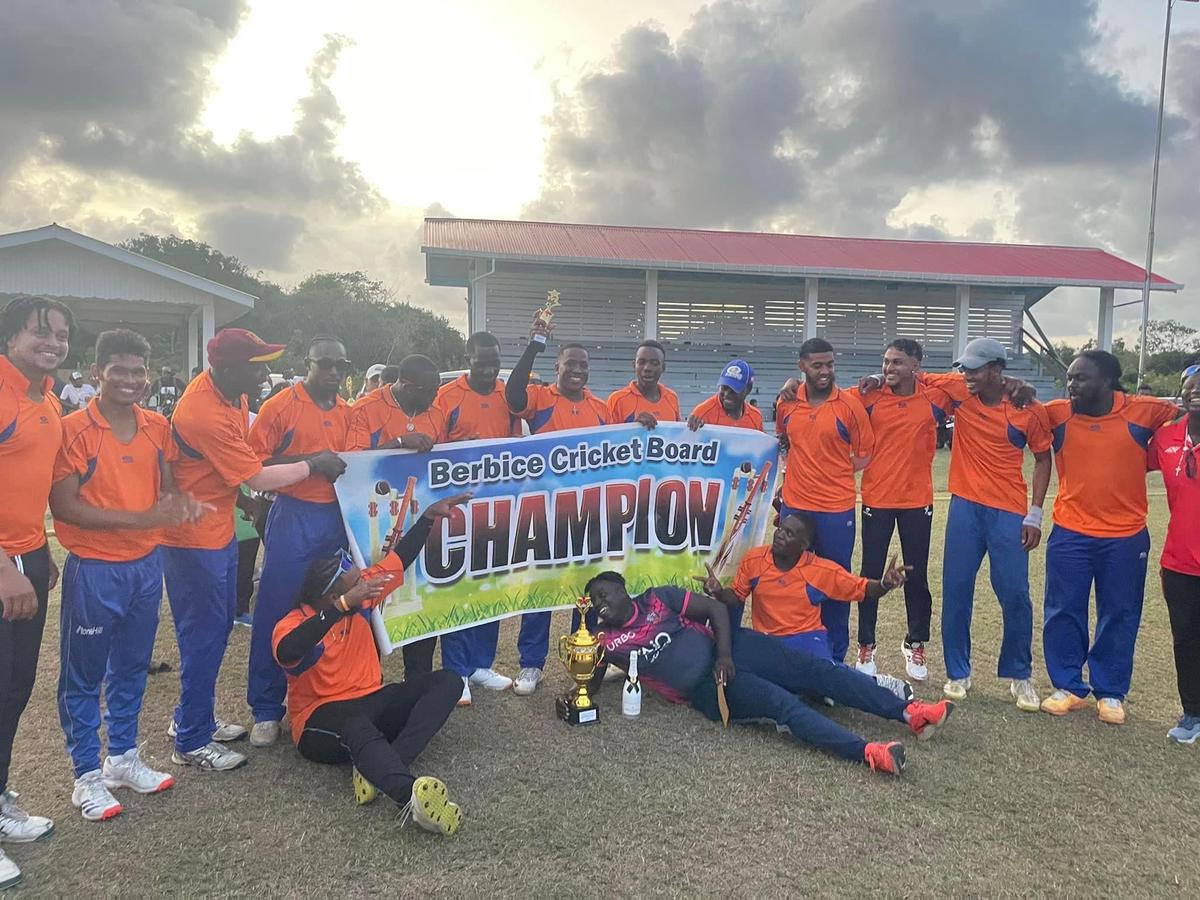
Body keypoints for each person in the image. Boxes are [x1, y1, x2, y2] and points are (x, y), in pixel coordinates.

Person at [163, 327, 347, 772]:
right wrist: (313, 464)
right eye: (255, 365)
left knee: (221, 625)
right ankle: (196, 737)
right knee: (210, 633)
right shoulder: (211, 409)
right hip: (194, 537)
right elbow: (258, 471)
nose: (263, 374)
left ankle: (193, 719)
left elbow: (229, 466)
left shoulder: (233, 396)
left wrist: (244, 503)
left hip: (224, 526)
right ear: (226, 368)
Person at [48, 329, 207, 821]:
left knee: (132, 665)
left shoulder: (157, 426)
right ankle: (86, 776)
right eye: (118, 370)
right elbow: (65, 507)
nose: (129, 379)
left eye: (138, 371)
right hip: (94, 568)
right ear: (97, 373)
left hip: (145, 566)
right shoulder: (72, 428)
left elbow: (169, 484)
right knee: (83, 676)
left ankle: (122, 757)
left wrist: (181, 503)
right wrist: (146, 518)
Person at [587, 571, 954, 776]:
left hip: (730, 648)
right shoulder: (608, 640)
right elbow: (588, 683)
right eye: (596, 602)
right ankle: (869, 753)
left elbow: (715, 610)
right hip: (707, 687)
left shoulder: (657, 598)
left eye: (604, 594)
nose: (602, 604)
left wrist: (725, 654)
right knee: (782, 705)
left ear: (622, 588)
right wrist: (586, 644)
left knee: (815, 671)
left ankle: (910, 713)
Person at [864, 337, 1052, 710]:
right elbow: (911, 375)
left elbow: (1043, 459)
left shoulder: (1026, 408)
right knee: (957, 590)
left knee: (1014, 593)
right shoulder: (958, 390)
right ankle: (958, 672)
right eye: (963, 368)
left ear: (996, 371)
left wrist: (1035, 511)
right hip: (965, 506)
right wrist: (876, 375)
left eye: (974, 369)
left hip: (1009, 511)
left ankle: (1020, 675)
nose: (965, 375)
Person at [273, 493, 470, 834]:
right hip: (318, 719)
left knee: (449, 682)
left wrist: (427, 518)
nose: (359, 574)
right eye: (349, 573)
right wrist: (342, 606)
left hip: (371, 698)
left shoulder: (361, 596)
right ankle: (408, 795)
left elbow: (400, 558)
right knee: (356, 726)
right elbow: (290, 649)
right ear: (331, 593)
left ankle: (378, 765)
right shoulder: (292, 623)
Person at [1039, 351, 1179, 724]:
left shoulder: (1144, 410)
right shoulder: (1059, 413)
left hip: (1126, 536)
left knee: (1119, 612)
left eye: (1081, 378)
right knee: (1063, 609)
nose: (1072, 386)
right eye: (1070, 378)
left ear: (1107, 381)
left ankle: (1111, 692)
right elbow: (1022, 411)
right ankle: (1067, 686)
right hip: (1070, 531)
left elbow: (1183, 415)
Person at [245, 337, 354, 747]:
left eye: (339, 366)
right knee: (275, 608)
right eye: (323, 364)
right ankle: (266, 708)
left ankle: (329, 691)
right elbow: (253, 462)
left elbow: (359, 460)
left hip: (338, 518)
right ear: (307, 363)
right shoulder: (280, 406)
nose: (332, 373)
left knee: (336, 605)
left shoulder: (349, 411)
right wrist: (309, 465)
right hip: (293, 516)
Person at [0, 296, 72, 887]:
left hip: (25, 556)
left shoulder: (46, 396)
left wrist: (37, 551)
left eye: (62, 333)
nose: (52, 340)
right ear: (11, 337)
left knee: (13, 690)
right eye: (40, 331)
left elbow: (32, 487)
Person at [505, 315, 610, 696]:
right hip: (547, 512)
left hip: (589, 513)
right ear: (558, 367)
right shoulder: (541, 397)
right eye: (571, 364)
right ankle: (531, 664)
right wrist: (534, 343)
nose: (577, 371)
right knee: (542, 589)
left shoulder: (601, 408)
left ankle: (578, 656)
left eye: (583, 365)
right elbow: (512, 396)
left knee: (584, 592)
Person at [703, 513, 913, 700]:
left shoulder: (820, 570)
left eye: (789, 533)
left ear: (803, 545)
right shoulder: (755, 559)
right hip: (769, 641)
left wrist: (884, 584)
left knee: (827, 679)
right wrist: (719, 592)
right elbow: (737, 596)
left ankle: (879, 685)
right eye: (780, 529)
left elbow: (862, 589)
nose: (779, 535)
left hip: (806, 638)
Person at [854, 339, 951, 681]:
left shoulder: (933, 397)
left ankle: (916, 644)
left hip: (917, 501)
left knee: (915, 574)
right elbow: (835, 401)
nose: (888, 368)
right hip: (876, 499)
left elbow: (960, 385)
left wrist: (925, 378)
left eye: (897, 363)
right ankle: (866, 645)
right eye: (885, 362)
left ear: (915, 365)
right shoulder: (870, 396)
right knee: (870, 573)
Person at [433, 333, 521, 705]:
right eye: (481, 362)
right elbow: (433, 453)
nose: (489, 370)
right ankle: (457, 669)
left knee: (490, 587)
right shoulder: (447, 397)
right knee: (459, 588)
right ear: (467, 357)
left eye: (495, 363)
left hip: (498, 510)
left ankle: (481, 664)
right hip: (457, 511)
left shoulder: (509, 395)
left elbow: (521, 449)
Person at [773, 338, 873, 664]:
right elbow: (784, 442)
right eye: (817, 365)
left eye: (830, 364)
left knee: (835, 584)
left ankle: (833, 661)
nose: (825, 371)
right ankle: (791, 654)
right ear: (802, 366)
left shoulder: (849, 406)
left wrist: (835, 474)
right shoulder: (787, 404)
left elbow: (865, 454)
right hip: (795, 507)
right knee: (788, 580)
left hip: (835, 510)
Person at [349, 353, 449, 677]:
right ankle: (367, 679)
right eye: (429, 391)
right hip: (373, 525)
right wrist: (399, 443)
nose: (435, 397)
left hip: (420, 522)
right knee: (374, 601)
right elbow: (352, 464)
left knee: (422, 600)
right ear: (405, 386)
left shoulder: (435, 413)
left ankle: (416, 682)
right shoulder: (365, 409)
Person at [1148, 364, 1200, 744]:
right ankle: (1193, 713)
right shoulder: (1166, 437)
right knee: (1186, 639)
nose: (1194, 390)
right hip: (1180, 559)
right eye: (1188, 384)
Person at [607, 340, 680, 428]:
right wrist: (633, 427)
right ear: (634, 365)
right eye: (642, 362)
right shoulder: (617, 400)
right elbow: (606, 437)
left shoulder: (672, 398)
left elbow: (677, 435)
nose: (647, 368)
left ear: (663, 367)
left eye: (654, 363)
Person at [687, 359, 764, 432]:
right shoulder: (702, 413)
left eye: (734, 390)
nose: (727, 394)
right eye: (724, 388)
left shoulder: (755, 417)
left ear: (748, 389)